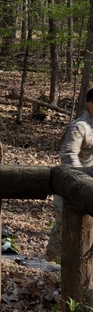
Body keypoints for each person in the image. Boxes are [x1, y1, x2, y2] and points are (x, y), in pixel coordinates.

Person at [47, 88, 93, 262]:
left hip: (89, 191)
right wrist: (83, 181)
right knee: (64, 230)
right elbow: (68, 155)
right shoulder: (79, 127)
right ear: (89, 105)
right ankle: (51, 267)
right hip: (72, 189)